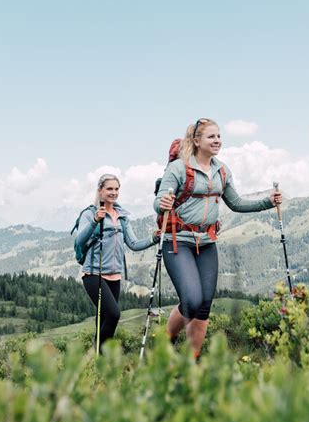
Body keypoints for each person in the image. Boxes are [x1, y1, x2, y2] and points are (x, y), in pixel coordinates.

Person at [154, 118, 282, 360]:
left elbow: (236, 203)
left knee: (203, 306)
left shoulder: (221, 170)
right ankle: (166, 340)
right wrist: (162, 204)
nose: (217, 141)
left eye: (219, 136)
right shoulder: (178, 168)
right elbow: (158, 201)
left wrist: (268, 201)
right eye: (211, 137)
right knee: (191, 300)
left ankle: (192, 359)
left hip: (207, 242)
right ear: (196, 140)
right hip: (178, 240)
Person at [75, 173, 158, 351]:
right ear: (100, 190)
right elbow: (79, 241)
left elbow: (134, 244)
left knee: (105, 319)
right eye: (109, 189)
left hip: (115, 276)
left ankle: (96, 361)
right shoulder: (90, 214)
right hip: (93, 274)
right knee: (114, 315)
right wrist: (95, 221)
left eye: (116, 189)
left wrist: (153, 238)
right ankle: (103, 357)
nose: (114, 192)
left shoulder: (121, 216)